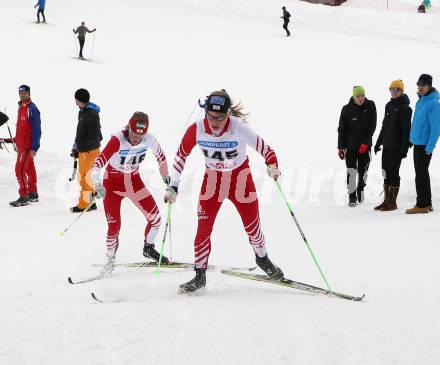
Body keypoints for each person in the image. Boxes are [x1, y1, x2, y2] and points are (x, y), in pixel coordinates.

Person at [165, 90, 283, 293]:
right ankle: (199, 275)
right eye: (210, 116)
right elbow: (180, 156)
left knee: (253, 227)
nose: (214, 121)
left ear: (228, 114)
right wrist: (173, 185)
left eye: (220, 117)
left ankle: (262, 258)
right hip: (213, 181)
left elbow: (267, 150)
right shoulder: (197, 128)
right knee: (203, 229)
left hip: (240, 180)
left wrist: (272, 165)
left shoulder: (238, 127)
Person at [92, 112, 170, 275]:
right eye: (134, 134)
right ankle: (110, 259)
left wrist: (168, 181)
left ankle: (148, 248)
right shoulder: (117, 140)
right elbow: (97, 164)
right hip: (112, 184)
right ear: (129, 128)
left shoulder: (149, 138)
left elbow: (161, 158)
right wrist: (98, 185)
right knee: (114, 227)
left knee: (156, 218)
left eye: (140, 136)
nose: (136, 138)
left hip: (133, 182)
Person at [373, 80, 412, 211]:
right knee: (385, 172)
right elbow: (384, 126)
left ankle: (393, 203)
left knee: (393, 173)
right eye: (391, 89)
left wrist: (404, 149)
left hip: (397, 147)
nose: (394, 92)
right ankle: (386, 201)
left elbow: (407, 130)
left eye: (397, 90)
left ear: (402, 91)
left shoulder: (405, 108)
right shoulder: (388, 105)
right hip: (387, 145)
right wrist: (378, 143)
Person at [406, 74, 440, 214]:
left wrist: (429, 148)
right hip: (418, 143)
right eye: (419, 84)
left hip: (424, 146)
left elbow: (436, 128)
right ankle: (428, 203)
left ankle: (422, 204)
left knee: (420, 174)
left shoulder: (433, 104)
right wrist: (411, 139)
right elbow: (417, 123)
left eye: (423, 84)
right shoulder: (421, 101)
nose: (420, 87)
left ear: (429, 85)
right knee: (422, 173)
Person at [337, 85, 377, 207]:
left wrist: (365, 142)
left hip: (365, 146)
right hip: (351, 147)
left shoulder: (370, 106)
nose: (360, 98)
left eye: (362, 95)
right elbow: (342, 130)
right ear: (354, 97)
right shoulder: (346, 109)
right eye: (358, 96)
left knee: (363, 171)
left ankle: (361, 190)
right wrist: (340, 147)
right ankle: (352, 197)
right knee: (351, 172)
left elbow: (372, 126)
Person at [9, 85, 42, 207]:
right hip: (22, 144)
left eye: (24, 93)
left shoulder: (32, 109)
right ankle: (33, 193)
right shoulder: (21, 108)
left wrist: (34, 147)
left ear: (29, 93)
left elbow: (37, 129)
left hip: (28, 147)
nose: (22, 95)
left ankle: (24, 195)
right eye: (20, 93)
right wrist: (14, 140)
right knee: (29, 169)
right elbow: (22, 128)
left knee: (20, 169)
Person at [70, 88, 102, 213]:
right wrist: (76, 145)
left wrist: (81, 146)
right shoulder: (83, 111)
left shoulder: (91, 114)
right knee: (82, 177)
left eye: (76, 100)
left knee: (85, 177)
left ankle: (86, 203)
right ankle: (90, 199)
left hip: (89, 151)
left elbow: (95, 135)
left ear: (81, 100)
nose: (75, 102)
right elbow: (81, 132)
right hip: (84, 150)